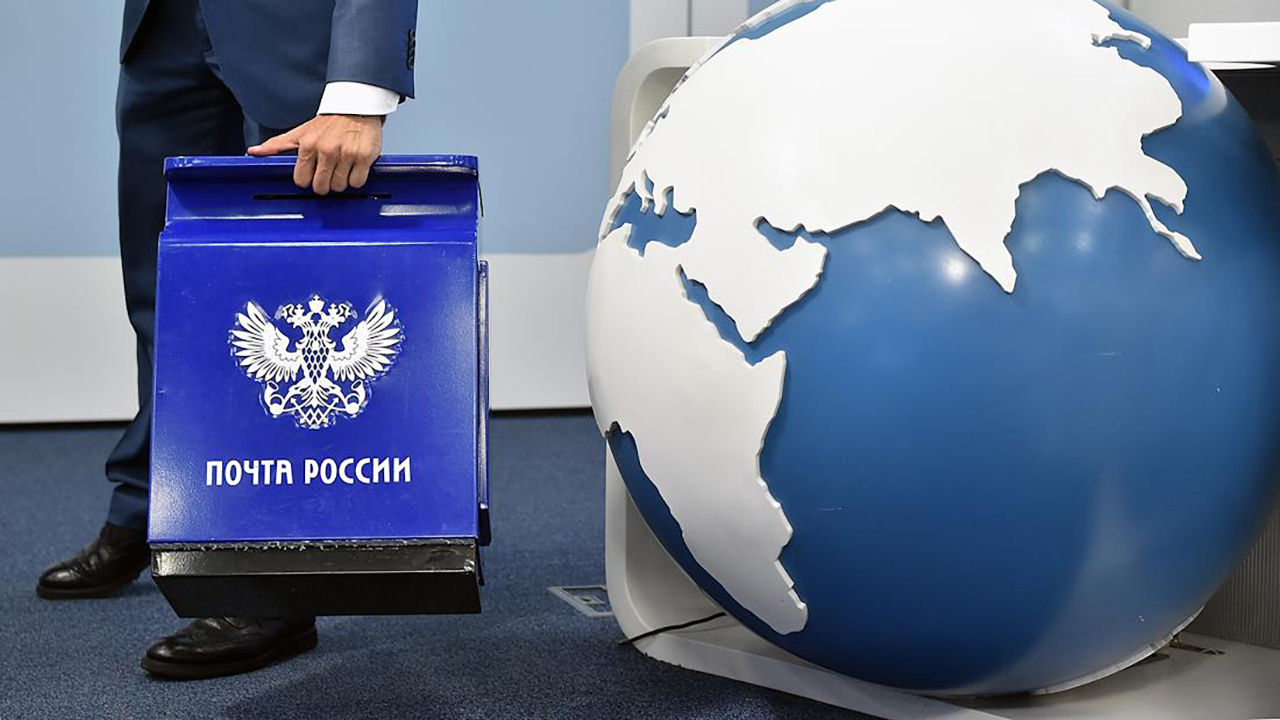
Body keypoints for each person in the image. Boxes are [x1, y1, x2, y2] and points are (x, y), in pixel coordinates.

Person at [35, 0, 419, 680]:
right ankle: (152, 506)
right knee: (165, 295)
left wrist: (359, 90)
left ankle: (271, 585)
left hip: (291, 31)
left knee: (290, 305)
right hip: (161, 29)